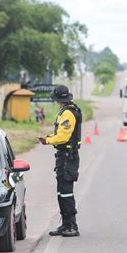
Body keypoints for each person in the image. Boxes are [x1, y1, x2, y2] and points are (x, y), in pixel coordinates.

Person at [38, 85, 82, 237]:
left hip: (67, 158)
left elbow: (63, 137)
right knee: (61, 192)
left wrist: (48, 141)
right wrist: (50, 138)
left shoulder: (68, 114)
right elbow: (61, 134)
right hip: (64, 156)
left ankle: (72, 226)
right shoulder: (67, 111)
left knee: (66, 193)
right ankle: (65, 224)